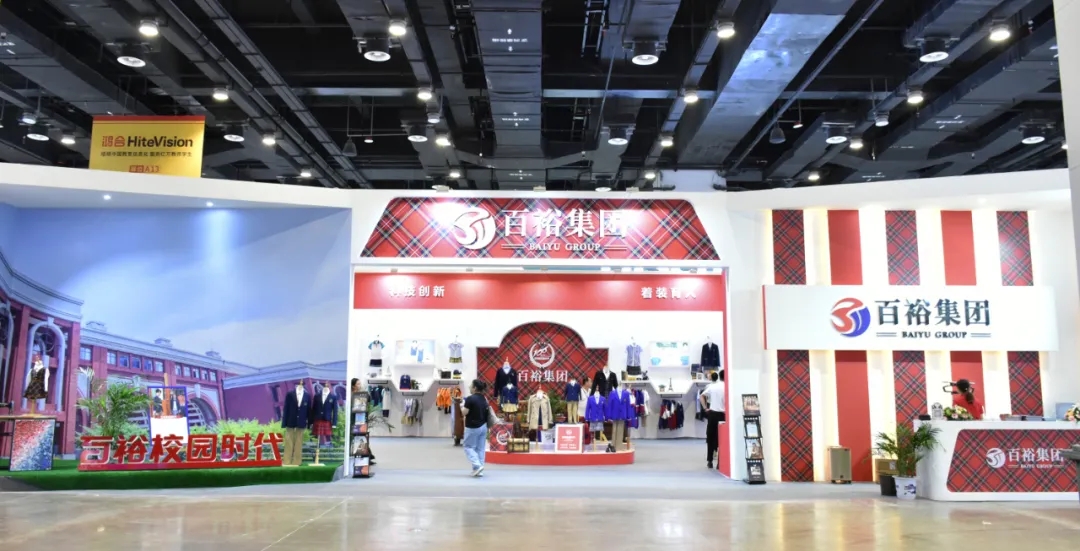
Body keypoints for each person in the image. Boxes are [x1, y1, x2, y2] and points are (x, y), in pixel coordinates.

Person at [459, 379, 489, 477]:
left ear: (475, 388)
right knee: (480, 449)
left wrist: (461, 405)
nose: (469, 387)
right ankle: (479, 470)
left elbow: (464, 412)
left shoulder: (470, 399)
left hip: (472, 427)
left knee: (468, 447)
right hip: (483, 426)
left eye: (471, 386)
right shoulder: (484, 398)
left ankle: (477, 465)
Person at [698, 370, 726, 469]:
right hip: (723, 415)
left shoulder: (713, 386)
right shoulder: (727, 387)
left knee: (710, 437)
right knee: (722, 439)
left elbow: (701, 396)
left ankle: (710, 461)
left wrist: (705, 408)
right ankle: (720, 462)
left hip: (712, 414)